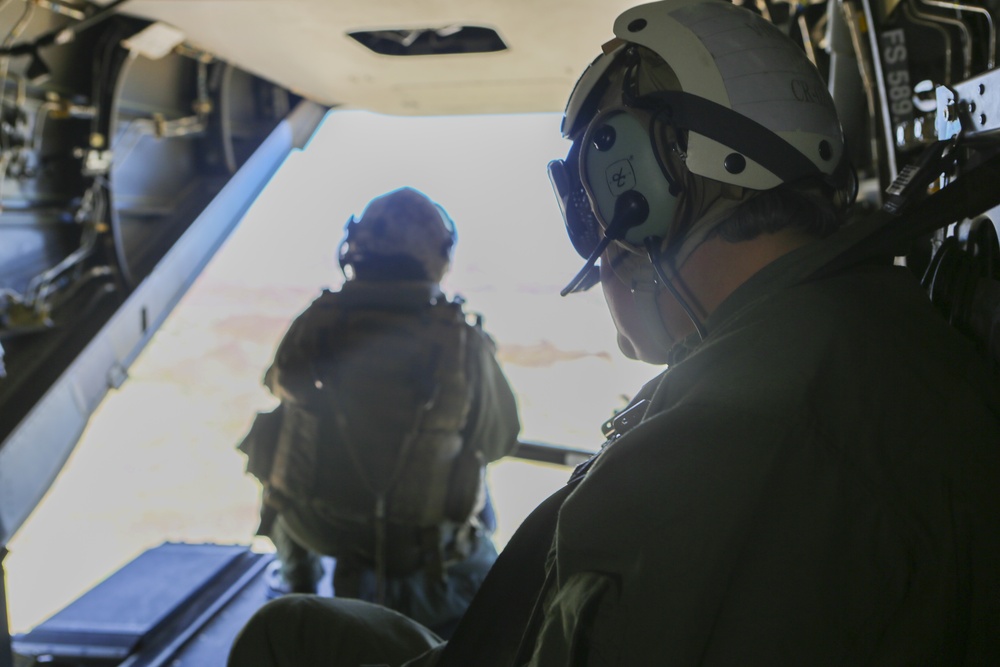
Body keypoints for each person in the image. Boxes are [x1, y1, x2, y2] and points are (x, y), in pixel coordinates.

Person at [229, 1, 1000, 665]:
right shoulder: (863, 319)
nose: (594, 240)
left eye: (585, 200)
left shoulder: (730, 446)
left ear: (633, 186)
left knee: (284, 634)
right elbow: (500, 433)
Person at [237, 186, 521, 638]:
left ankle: (295, 585)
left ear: (357, 245)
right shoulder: (460, 340)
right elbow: (499, 439)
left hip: (317, 533)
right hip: (417, 556)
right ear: (439, 254)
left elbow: (279, 384)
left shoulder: (317, 320)